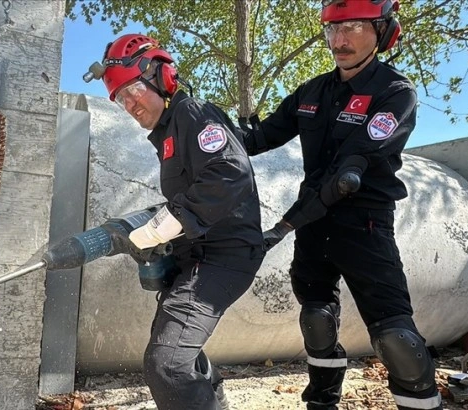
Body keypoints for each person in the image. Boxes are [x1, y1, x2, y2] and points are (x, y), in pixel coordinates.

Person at [241, 1, 442, 409]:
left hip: (363, 225)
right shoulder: (311, 92)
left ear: (384, 32)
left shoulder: (395, 92)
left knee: (396, 340)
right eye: (332, 29)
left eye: (352, 26)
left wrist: (282, 226)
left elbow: (349, 171)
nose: (339, 40)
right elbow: (256, 138)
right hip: (314, 230)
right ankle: (322, 400)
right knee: (316, 319)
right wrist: (200, 127)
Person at [85, 33, 265, 409]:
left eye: (134, 89)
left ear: (162, 77)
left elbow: (230, 174)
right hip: (196, 253)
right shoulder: (167, 132)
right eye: (121, 99)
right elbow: (192, 193)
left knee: (166, 363)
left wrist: (156, 229)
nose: (130, 104)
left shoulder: (192, 113)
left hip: (224, 256)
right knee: (176, 344)